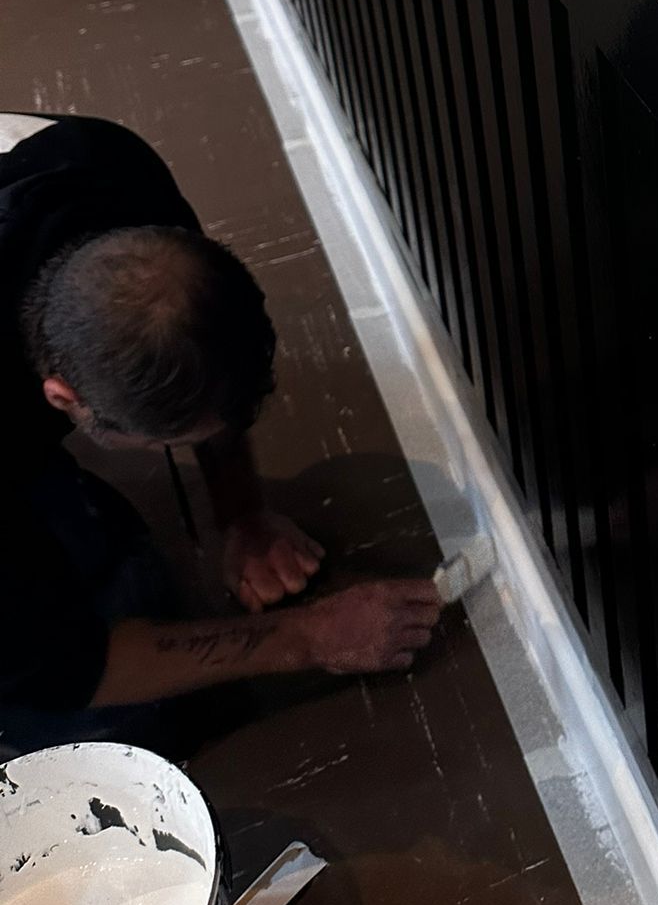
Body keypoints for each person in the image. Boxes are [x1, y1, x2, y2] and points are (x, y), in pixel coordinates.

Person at [0, 111, 441, 757]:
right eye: (169, 440)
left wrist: (242, 512)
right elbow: (71, 673)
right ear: (63, 396)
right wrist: (308, 638)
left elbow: (201, 363)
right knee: (100, 730)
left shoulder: (103, 168)